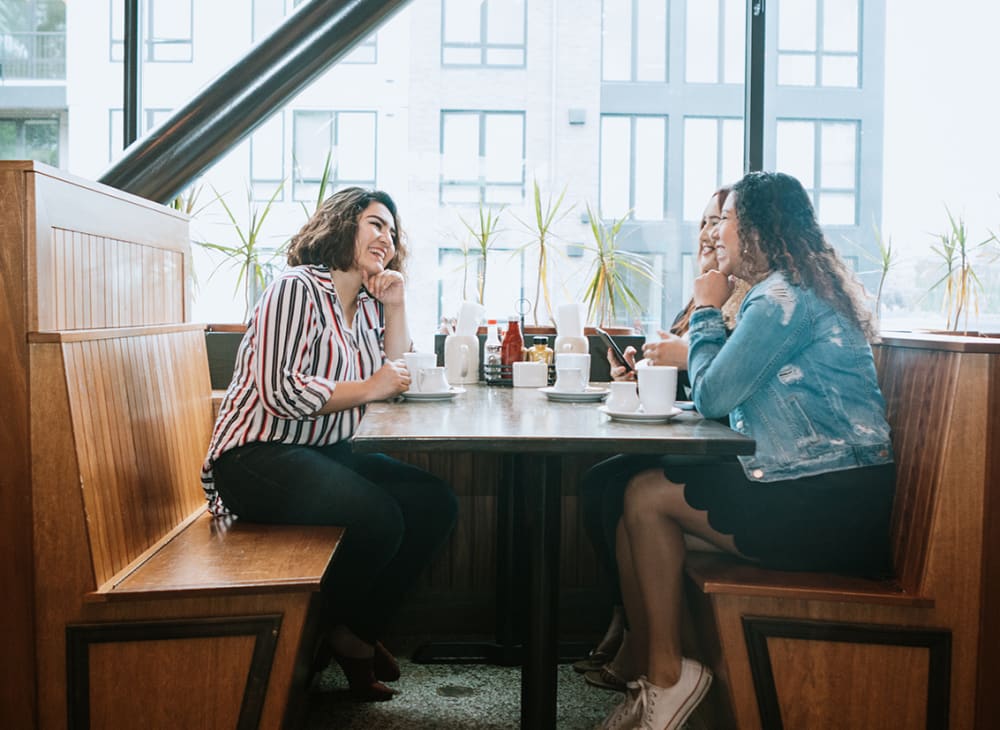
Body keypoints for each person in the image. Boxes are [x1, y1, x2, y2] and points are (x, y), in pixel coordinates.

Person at [595, 171, 895, 730]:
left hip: (834, 504)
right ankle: (666, 678)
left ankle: (668, 678)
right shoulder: (790, 290)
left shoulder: (784, 298)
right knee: (633, 515)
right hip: (816, 487)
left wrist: (708, 309)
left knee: (643, 495)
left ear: (754, 228)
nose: (716, 235)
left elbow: (713, 395)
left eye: (726, 220)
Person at [201, 187, 458, 702]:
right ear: (343, 225)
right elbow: (282, 390)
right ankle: (330, 637)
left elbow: (397, 370)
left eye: (391, 230)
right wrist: (373, 386)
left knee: (434, 501)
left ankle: (352, 632)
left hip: (320, 450)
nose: (386, 237)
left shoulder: (364, 303)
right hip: (255, 455)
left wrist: (397, 301)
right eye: (375, 224)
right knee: (380, 518)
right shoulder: (297, 288)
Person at [575, 186, 748, 690]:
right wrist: (644, 372)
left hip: (728, 447)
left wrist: (676, 359)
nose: (710, 232)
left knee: (622, 484)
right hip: (708, 434)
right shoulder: (708, 294)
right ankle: (629, 625)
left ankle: (639, 640)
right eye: (705, 222)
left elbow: (719, 382)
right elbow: (699, 375)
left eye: (722, 221)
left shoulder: (748, 298)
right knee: (604, 483)